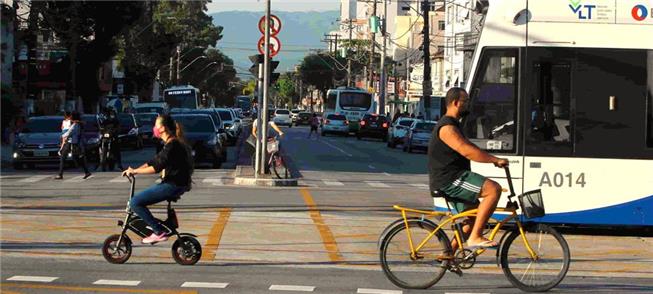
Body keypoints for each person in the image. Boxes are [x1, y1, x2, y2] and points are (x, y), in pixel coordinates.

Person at [428, 87, 508, 254]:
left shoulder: (455, 125)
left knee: (473, 216)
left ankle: (448, 255)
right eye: (466, 102)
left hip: (453, 177)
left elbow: (469, 147)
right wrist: (494, 160)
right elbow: (466, 151)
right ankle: (475, 237)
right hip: (450, 179)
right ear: (456, 103)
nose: (468, 105)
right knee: (493, 189)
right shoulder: (447, 127)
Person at [122, 114, 194, 244]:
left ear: (163, 128)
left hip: (173, 185)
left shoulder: (172, 146)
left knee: (135, 202)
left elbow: (156, 167)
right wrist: (134, 170)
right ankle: (163, 227)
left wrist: (136, 171)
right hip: (174, 183)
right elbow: (153, 161)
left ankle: (158, 231)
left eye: (156, 125)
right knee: (137, 201)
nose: (154, 128)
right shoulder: (170, 144)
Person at [55, 112, 92, 180]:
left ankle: (87, 171)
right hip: (70, 143)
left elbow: (70, 132)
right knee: (63, 157)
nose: (70, 117)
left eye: (71, 116)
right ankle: (60, 174)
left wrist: (62, 136)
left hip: (75, 143)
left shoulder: (76, 125)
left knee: (78, 158)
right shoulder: (75, 123)